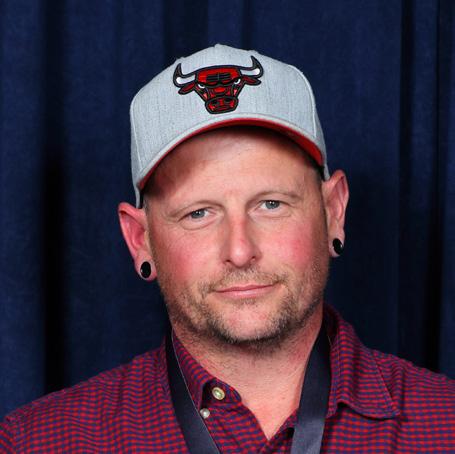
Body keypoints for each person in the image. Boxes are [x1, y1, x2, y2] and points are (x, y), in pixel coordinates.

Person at [1, 44, 454, 453]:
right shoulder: (36, 443)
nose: (240, 251)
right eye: (199, 213)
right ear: (140, 239)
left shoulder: (445, 425)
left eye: (271, 204)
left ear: (333, 211)